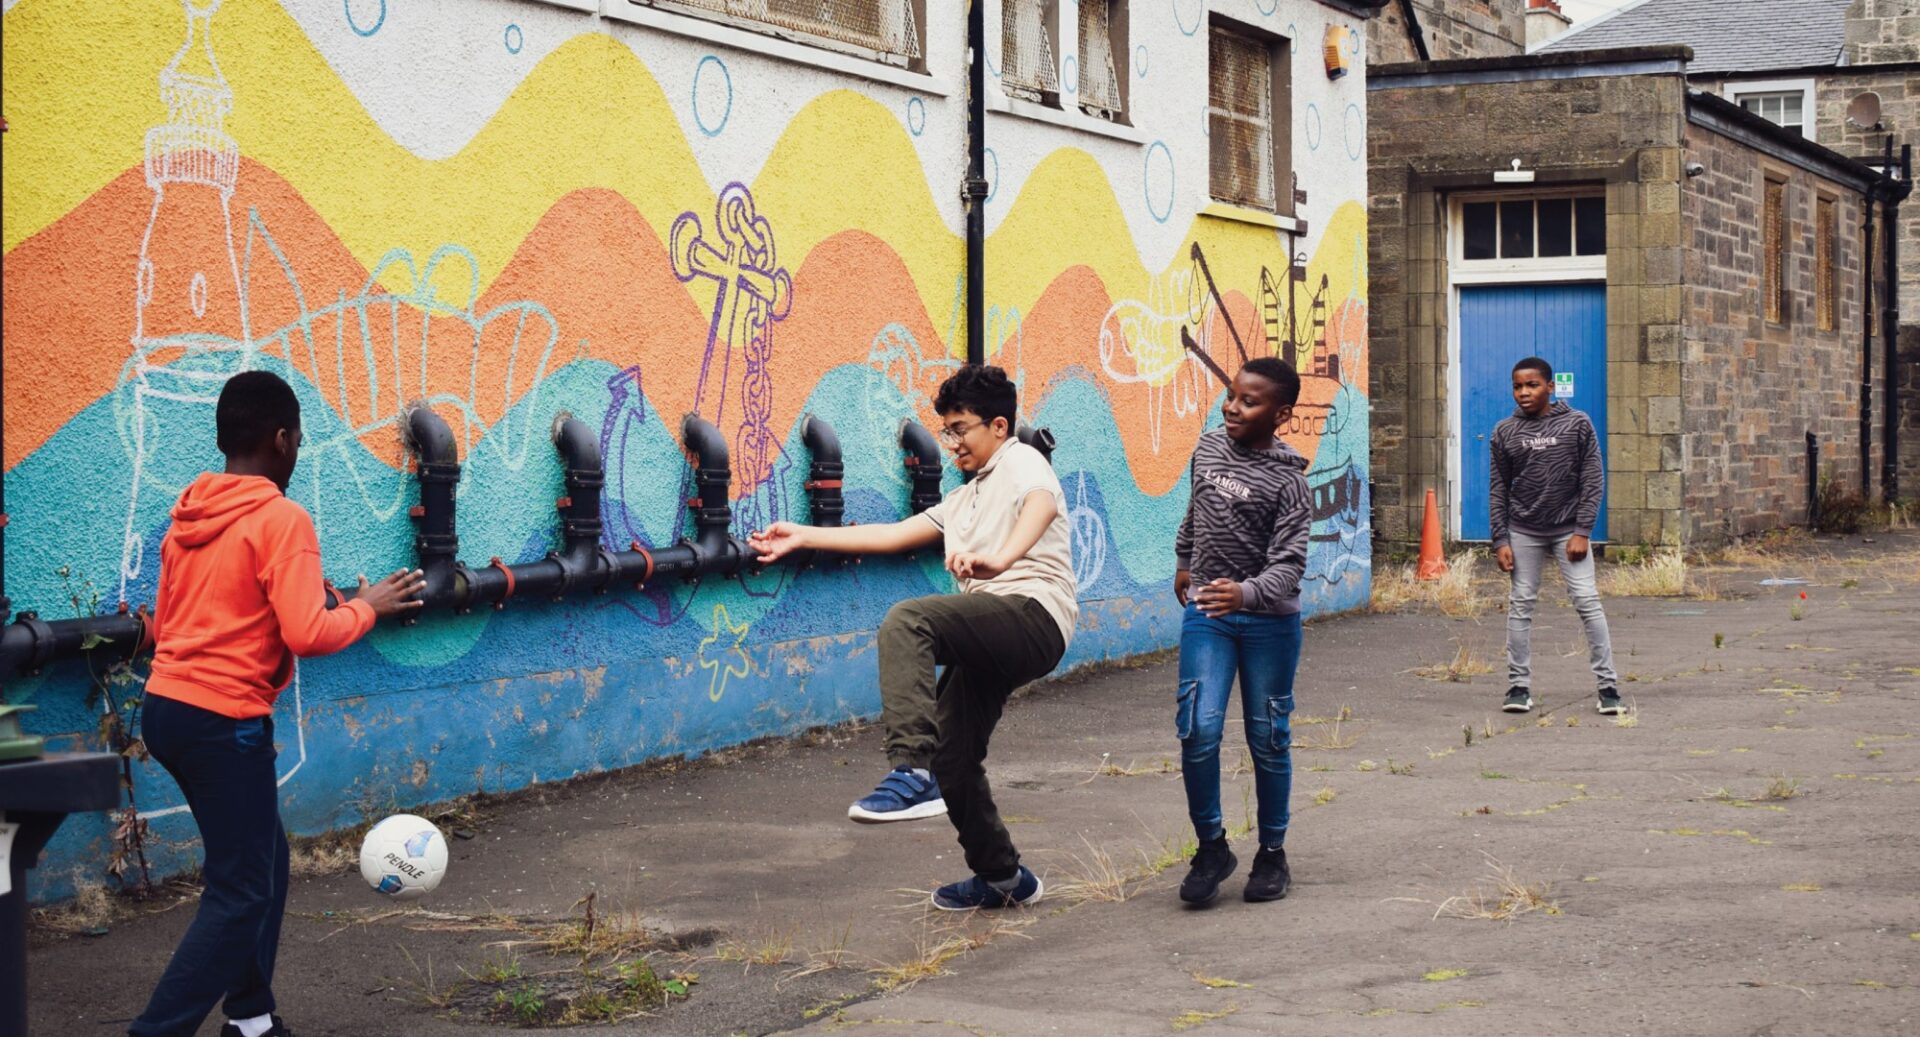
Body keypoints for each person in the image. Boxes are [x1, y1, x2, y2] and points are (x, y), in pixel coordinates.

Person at [131, 371, 425, 1037]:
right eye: (298, 441)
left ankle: (252, 1018)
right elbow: (307, 633)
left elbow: (188, 617)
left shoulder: (190, 515)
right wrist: (365, 607)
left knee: (265, 860)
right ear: (283, 439)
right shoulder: (281, 516)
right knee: (240, 892)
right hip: (221, 719)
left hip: (169, 709)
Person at [748, 364, 1076, 910]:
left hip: (1031, 614)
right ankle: (1003, 877)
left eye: (960, 429)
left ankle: (911, 766)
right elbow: (897, 534)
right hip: (989, 628)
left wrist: (1000, 558)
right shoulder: (968, 497)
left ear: (998, 426)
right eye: (946, 431)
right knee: (956, 757)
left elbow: (1040, 506)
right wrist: (803, 534)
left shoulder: (1022, 461)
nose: (952, 444)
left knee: (909, 620)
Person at [1171, 357, 1311, 906]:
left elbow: (1289, 567)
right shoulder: (1207, 448)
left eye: (1249, 401)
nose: (1233, 406)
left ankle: (1272, 854)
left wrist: (1247, 594)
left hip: (1270, 625)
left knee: (1268, 739)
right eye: (1231, 395)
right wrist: (1185, 557)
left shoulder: (1289, 482)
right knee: (1198, 728)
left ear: (1280, 413)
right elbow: (1195, 511)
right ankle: (1212, 847)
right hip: (1208, 612)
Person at [1490, 356, 1621, 717]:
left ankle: (1608, 687)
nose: (1523, 392)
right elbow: (1499, 488)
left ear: (1550, 386)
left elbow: (1592, 479)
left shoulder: (1577, 424)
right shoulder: (1504, 432)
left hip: (1568, 532)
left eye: (1532, 385)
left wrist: (1582, 531)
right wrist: (1500, 540)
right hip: (1523, 532)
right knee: (1520, 605)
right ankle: (1518, 687)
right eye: (1517, 386)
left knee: (1587, 601)